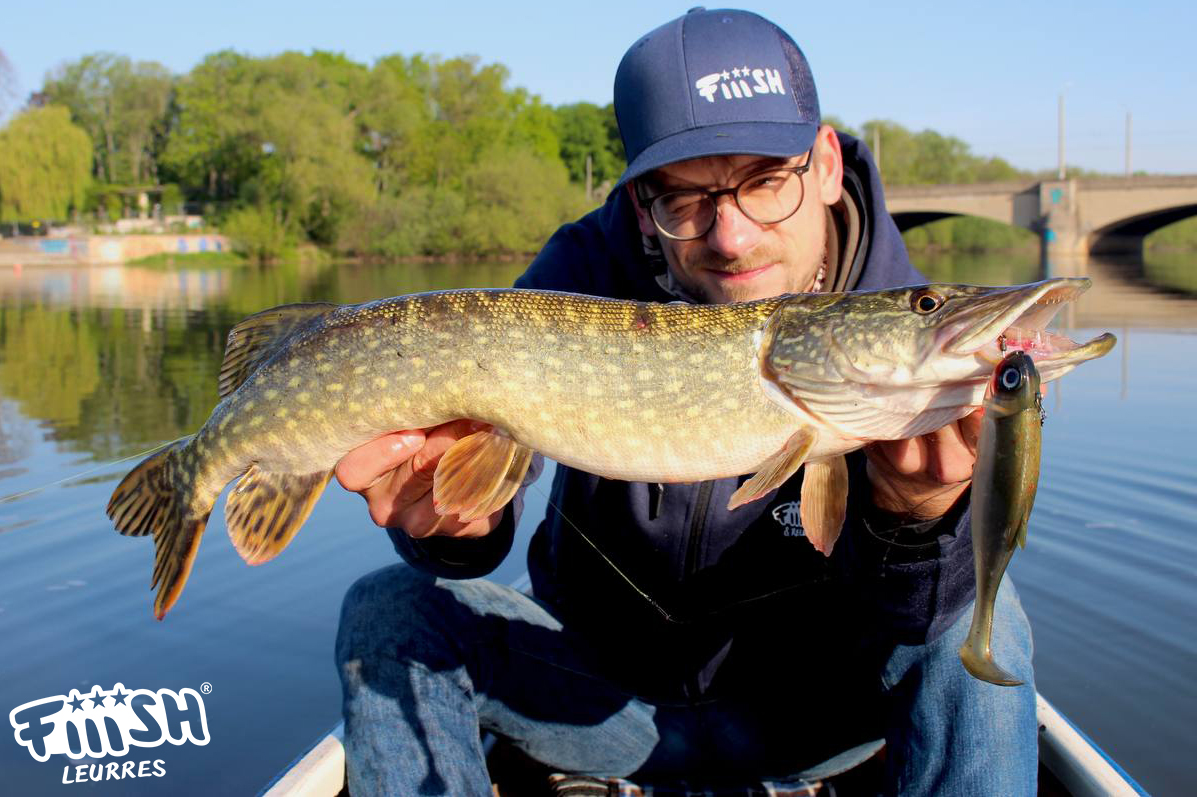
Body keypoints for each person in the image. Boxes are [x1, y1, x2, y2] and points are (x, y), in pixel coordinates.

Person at [334, 8, 1037, 796]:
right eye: (685, 199)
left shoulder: (905, 330)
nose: (729, 236)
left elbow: (913, 618)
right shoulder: (578, 280)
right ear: (640, 205)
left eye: (766, 180)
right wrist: (456, 525)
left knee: (985, 621)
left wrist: (915, 520)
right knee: (388, 609)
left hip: (811, 713)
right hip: (605, 704)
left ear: (827, 165)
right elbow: (475, 502)